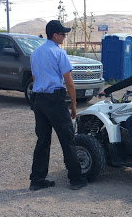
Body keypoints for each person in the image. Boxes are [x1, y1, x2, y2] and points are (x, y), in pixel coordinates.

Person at [28, 20, 87, 191]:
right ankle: (76, 179)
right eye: (63, 34)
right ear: (55, 35)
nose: (64, 37)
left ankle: (37, 180)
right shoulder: (58, 53)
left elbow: (34, 79)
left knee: (43, 141)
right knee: (67, 139)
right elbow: (69, 83)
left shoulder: (35, 53)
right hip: (55, 101)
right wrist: (74, 104)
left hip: (39, 100)